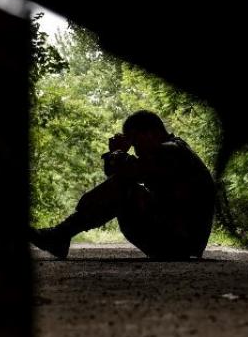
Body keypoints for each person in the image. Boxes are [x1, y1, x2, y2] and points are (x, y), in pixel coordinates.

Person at [30, 110, 216, 260]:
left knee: (124, 187)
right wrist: (117, 156)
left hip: (177, 242)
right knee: (124, 184)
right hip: (177, 239)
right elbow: (119, 172)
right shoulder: (172, 150)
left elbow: (127, 172)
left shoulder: (171, 151)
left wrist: (117, 152)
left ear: (150, 133)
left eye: (135, 141)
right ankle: (61, 235)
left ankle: (60, 235)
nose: (135, 148)